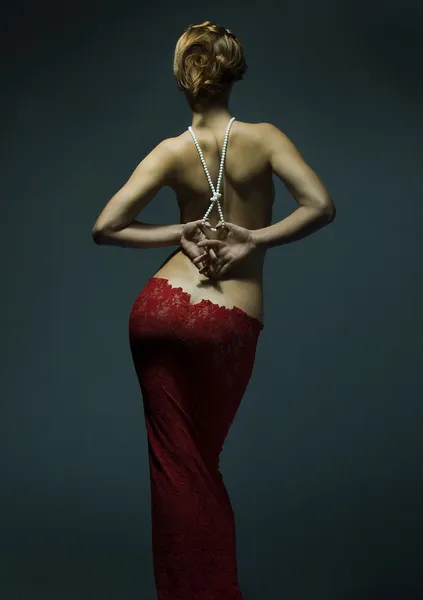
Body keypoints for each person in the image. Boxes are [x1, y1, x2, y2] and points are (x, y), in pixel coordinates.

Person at [92, 20, 336, 600]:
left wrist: (179, 230)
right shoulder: (267, 138)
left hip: (160, 311)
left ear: (184, 77)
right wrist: (255, 238)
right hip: (223, 322)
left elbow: (105, 227)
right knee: (200, 467)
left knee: (178, 470)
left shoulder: (171, 151)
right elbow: (321, 206)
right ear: (234, 73)